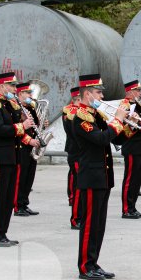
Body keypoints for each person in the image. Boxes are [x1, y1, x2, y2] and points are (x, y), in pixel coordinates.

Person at [72, 73, 126, 280]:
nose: (102, 96)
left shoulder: (96, 115)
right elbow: (101, 139)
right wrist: (117, 121)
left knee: (99, 223)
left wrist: (124, 122)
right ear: (87, 94)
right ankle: (85, 266)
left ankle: (94, 262)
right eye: (98, 92)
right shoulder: (81, 118)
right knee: (90, 224)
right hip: (92, 176)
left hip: (102, 176)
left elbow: (116, 138)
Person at [0, 72, 37, 246]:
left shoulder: (10, 104)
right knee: (0, 196)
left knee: (8, 198)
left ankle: (2, 233)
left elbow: (17, 126)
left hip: (12, 155)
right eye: (12, 86)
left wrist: (25, 119)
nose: (15, 89)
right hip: (0, 156)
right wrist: (22, 126)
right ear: (2, 86)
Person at [120, 80, 141, 219]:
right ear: (130, 91)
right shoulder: (125, 105)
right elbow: (127, 126)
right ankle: (127, 209)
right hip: (131, 146)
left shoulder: (138, 104)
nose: (140, 93)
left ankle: (132, 207)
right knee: (130, 178)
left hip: (140, 146)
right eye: (138, 90)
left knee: (137, 179)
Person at [13, 82, 41, 217]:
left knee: (29, 177)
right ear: (20, 94)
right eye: (27, 93)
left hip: (32, 146)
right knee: (21, 176)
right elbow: (16, 128)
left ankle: (24, 202)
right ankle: (18, 205)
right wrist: (29, 140)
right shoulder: (16, 108)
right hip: (22, 146)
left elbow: (34, 126)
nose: (30, 95)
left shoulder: (30, 108)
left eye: (30, 93)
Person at [63, 86, 81, 229]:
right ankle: (75, 218)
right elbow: (74, 133)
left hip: (83, 154)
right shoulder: (70, 113)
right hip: (76, 152)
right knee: (77, 185)